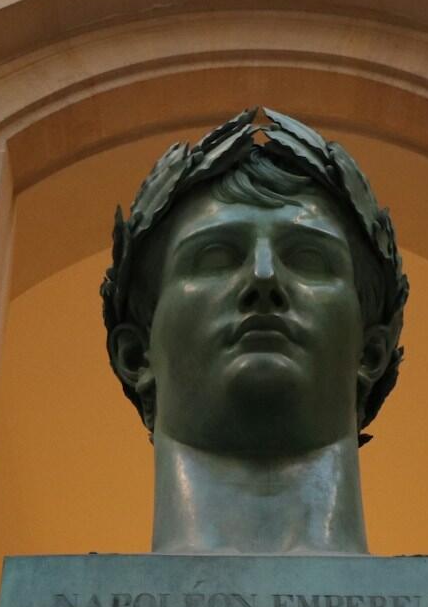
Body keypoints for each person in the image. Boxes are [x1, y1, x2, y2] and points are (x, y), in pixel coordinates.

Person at [101, 107, 409, 554]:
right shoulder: (58, 597)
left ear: (371, 352)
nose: (264, 278)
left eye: (309, 259)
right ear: (136, 355)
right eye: (214, 257)